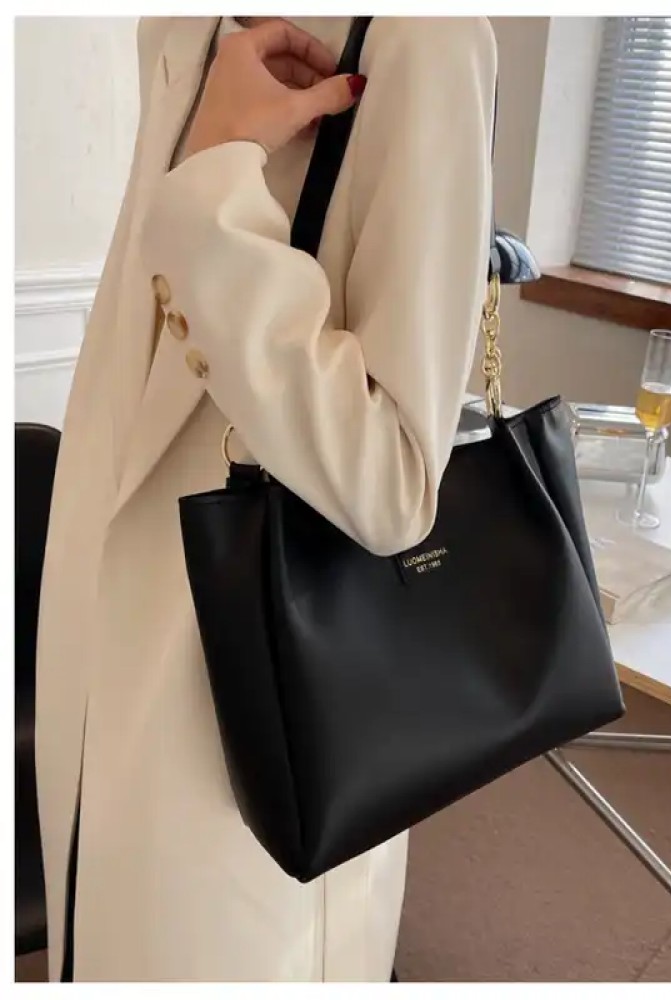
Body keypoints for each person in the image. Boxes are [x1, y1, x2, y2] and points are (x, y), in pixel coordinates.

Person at [34, 15, 497, 982]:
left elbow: (394, 483)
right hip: (95, 655)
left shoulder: (423, 39)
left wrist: (216, 195)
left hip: (249, 712)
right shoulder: (185, 25)